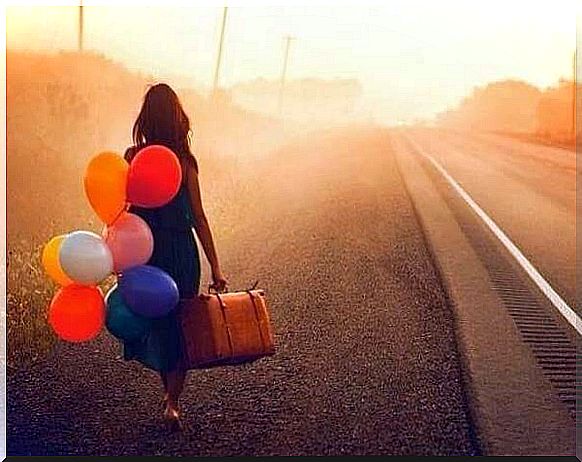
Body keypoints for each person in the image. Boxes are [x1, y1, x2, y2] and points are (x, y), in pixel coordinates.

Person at [123, 83, 227, 431]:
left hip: (146, 254)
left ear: (146, 118)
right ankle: (172, 402)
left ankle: (168, 395)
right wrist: (215, 265)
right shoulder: (185, 162)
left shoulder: (131, 158)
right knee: (183, 327)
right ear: (176, 118)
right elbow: (199, 216)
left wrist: (118, 256)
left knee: (162, 326)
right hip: (181, 253)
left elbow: (121, 213)